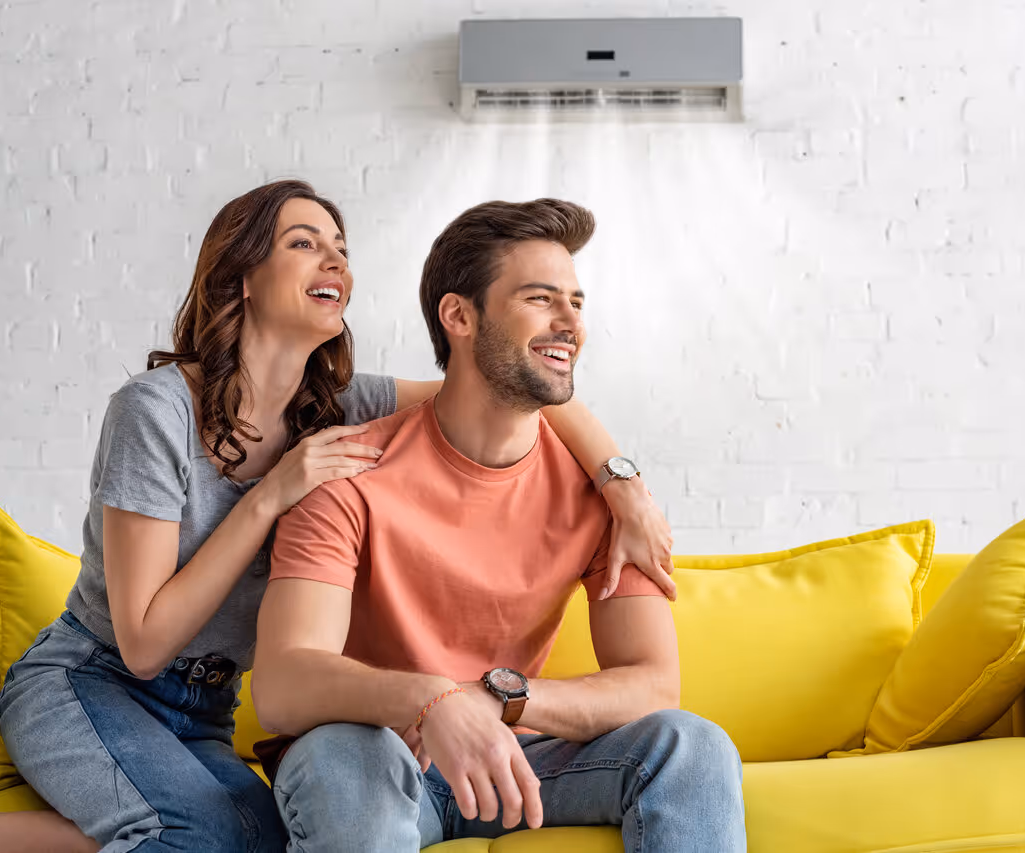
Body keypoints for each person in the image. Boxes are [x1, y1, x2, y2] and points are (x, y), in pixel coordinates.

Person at [0, 182, 677, 853]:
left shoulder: (337, 406)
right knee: (193, 837)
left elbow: (513, 374)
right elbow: (142, 642)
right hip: (90, 682)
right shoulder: (156, 411)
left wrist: (623, 484)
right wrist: (270, 495)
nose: (335, 260)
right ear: (242, 278)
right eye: (304, 242)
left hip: (208, 705)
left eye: (341, 248)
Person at [252, 198, 746, 852]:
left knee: (692, 746)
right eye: (541, 299)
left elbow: (654, 683)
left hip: (518, 758)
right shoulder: (349, 473)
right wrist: (431, 702)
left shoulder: (605, 500)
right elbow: (283, 684)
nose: (570, 322)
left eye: (577, 302)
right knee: (343, 764)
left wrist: (498, 700)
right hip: (377, 753)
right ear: (459, 316)